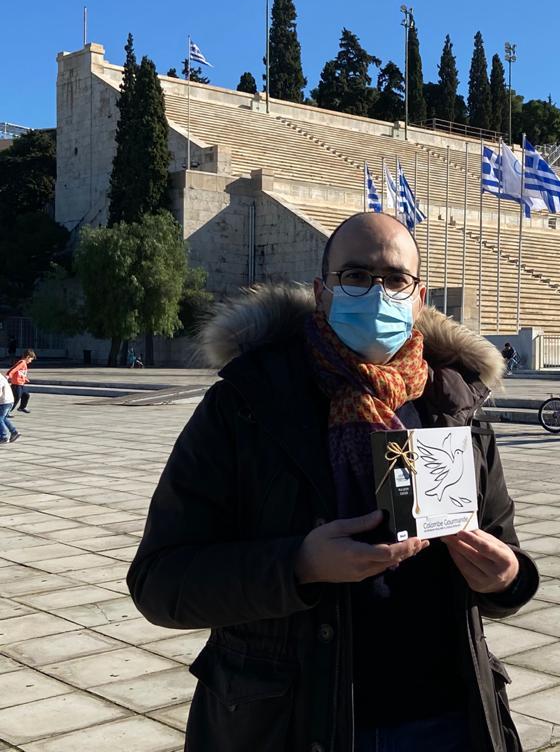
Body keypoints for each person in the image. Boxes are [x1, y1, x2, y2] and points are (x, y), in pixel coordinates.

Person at [127, 212, 538, 752]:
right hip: (289, 725)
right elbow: (160, 582)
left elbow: (503, 557)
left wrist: (507, 579)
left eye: (395, 279)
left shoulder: (452, 407)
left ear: (418, 299)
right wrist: (299, 565)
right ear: (322, 292)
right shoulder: (249, 404)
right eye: (356, 276)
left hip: (444, 720)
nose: (377, 292)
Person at [7, 349, 34, 414]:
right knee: (16, 398)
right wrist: (8, 375)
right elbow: (14, 368)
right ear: (27, 357)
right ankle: (7, 412)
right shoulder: (22, 362)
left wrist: (25, 378)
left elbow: (20, 373)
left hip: (21, 384)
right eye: (31, 359)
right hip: (16, 385)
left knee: (26, 395)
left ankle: (22, 407)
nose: (30, 361)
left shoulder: (24, 363)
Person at [0, 372, 18, 443]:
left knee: (0, 418)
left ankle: (4, 436)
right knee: (3, 418)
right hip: (7, 401)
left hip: (5, 401)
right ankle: (14, 432)